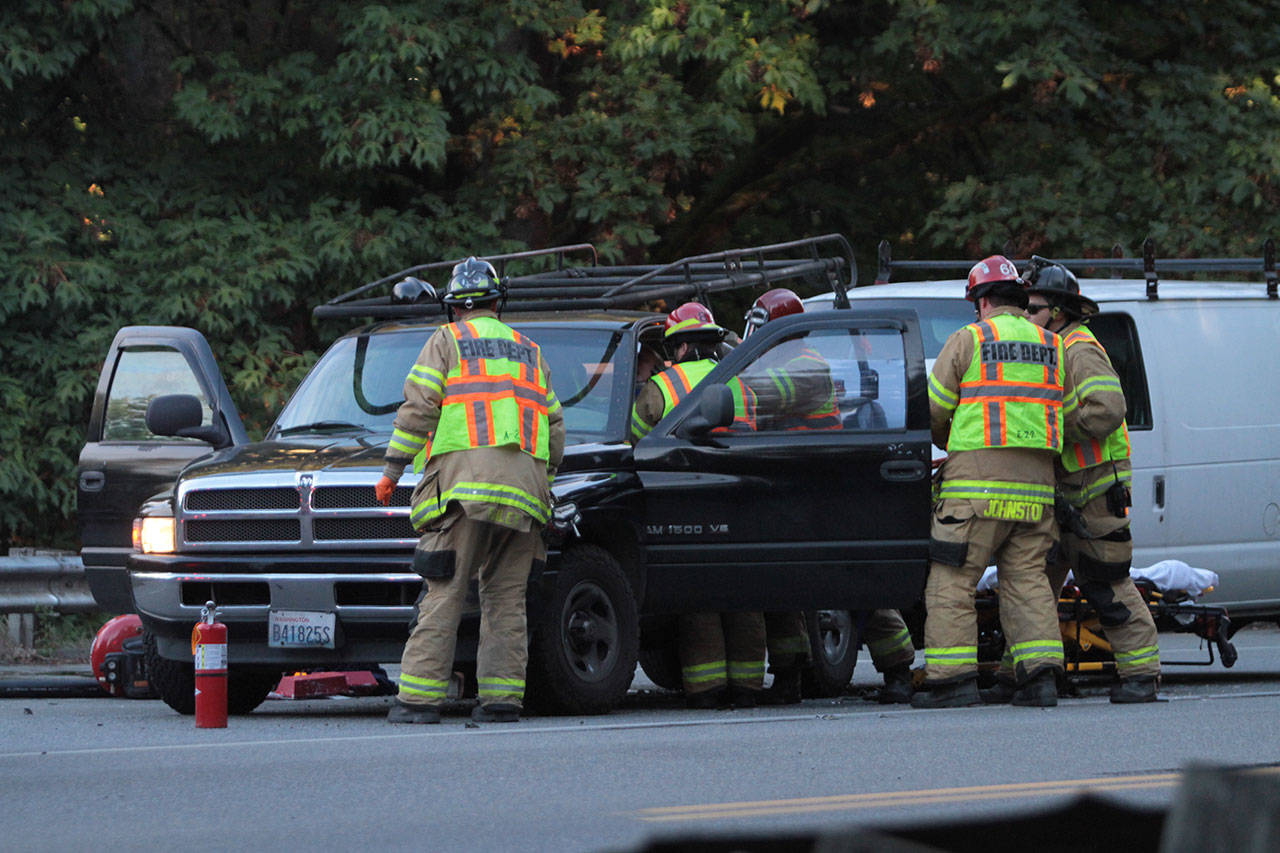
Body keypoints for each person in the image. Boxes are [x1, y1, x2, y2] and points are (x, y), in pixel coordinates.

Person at [377, 256, 565, 724]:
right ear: (497, 303)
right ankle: (501, 702)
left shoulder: (447, 340)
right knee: (506, 597)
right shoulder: (530, 350)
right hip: (526, 495)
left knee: (445, 588)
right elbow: (555, 429)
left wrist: (392, 470)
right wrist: (544, 480)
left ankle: (418, 701)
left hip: (464, 492)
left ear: (454, 307)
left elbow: (419, 408)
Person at [739, 288, 915, 704]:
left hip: (822, 493)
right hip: (791, 492)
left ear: (780, 331)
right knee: (784, 585)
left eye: (759, 327)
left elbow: (760, 394)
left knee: (852, 581)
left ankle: (899, 670)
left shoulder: (806, 368)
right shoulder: (777, 362)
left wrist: (710, 384)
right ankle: (789, 677)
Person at [911, 255, 1072, 709]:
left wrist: (951, 447)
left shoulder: (969, 340)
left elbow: (935, 410)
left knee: (952, 580)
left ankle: (952, 680)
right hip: (1037, 492)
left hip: (976, 491)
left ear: (980, 302)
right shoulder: (1051, 346)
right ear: (1020, 300)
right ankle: (1039, 679)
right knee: (1027, 582)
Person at [1018, 262, 1158, 703]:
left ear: (1058, 311)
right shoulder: (1051, 347)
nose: (1024, 316)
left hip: (1095, 492)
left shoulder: (1078, 349)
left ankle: (1141, 675)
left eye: (1032, 308)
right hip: (1065, 492)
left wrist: (1051, 428)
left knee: (1106, 581)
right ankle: (1025, 673)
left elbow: (1107, 408)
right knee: (1033, 584)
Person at [632, 302, 766, 708]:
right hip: (744, 496)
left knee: (699, 595)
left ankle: (706, 689)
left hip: (690, 496)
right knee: (744, 592)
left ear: (682, 346)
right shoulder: (743, 382)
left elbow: (635, 442)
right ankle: (748, 687)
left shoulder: (661, 388)